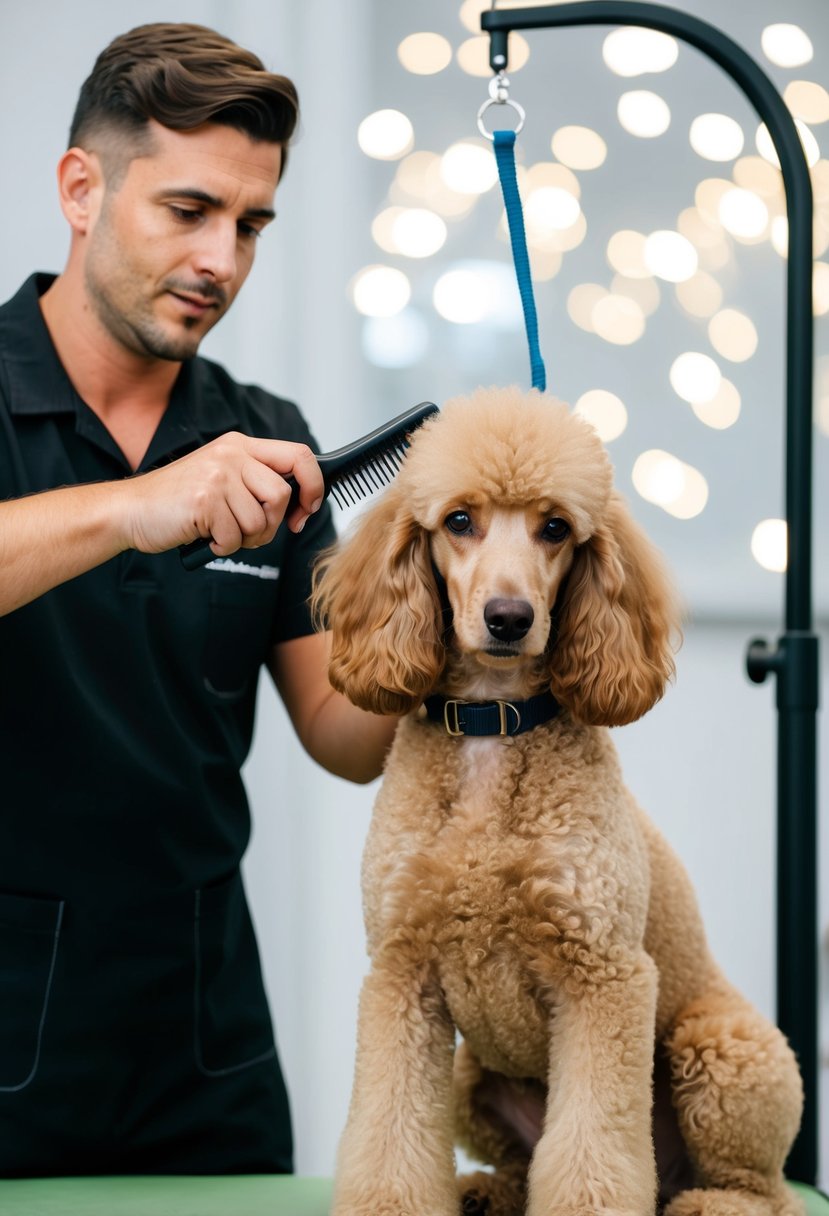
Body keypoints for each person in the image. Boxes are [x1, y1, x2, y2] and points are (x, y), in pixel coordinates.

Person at [0, 23, 396, 1178]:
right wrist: (136, 507)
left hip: (204, 1031)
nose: (221, 258)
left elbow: (344, 736)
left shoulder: (267, 438)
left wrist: (442, 628)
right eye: (188, 210)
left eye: (251, 224)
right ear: (83, 188)